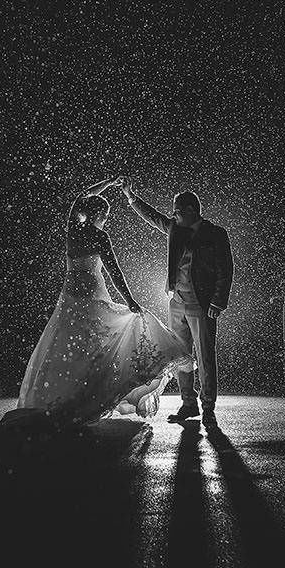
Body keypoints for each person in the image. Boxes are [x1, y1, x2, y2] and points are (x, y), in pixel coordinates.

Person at [7, 175, 195, 429]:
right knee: (97, 349)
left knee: (67, 350)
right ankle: (88, 399)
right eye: (106, 216)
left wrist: (108, 182)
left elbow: (81, 196)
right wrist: (130, 301)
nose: (106, 220)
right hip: (93, 298)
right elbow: (115, 273)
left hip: (70, 300)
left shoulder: (73, 230)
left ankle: (60, 398)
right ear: (101, 215)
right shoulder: (100, 237)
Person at [119, 178, 234, 427]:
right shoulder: (175, 228)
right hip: (177, 304)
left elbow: (226, 270)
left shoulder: (215, 234)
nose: (173, 216)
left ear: (191, 211)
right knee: (182, 356)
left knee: (205, 356)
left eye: (177, 212)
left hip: (202, 305)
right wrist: (131, 197)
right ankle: (188, 403)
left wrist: (217, 302)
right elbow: (152, 216)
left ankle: (208, 407)